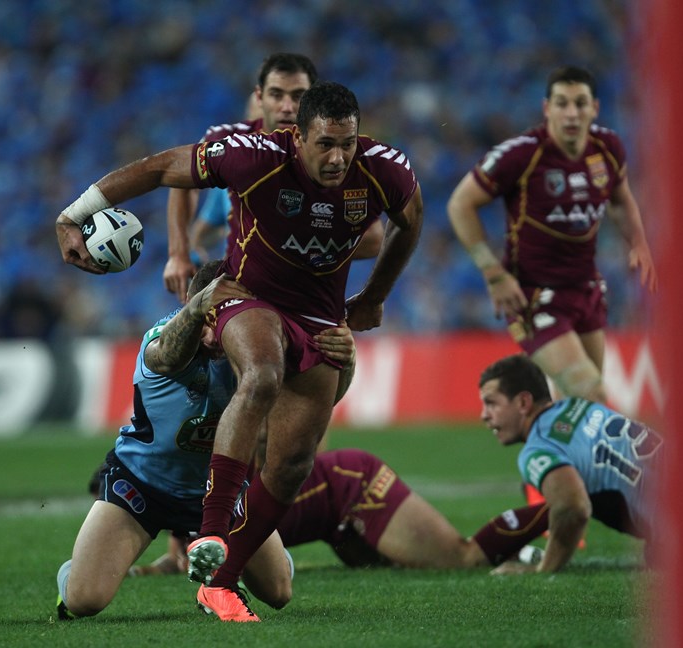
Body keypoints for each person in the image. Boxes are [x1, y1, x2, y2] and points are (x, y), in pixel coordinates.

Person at [56, 80, 424, 621]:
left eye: (347, 143)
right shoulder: (253, 160)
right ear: (297, 136)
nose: (338, 157)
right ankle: (208, 537)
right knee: (263, 373)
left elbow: (410, 220)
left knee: (292, 481)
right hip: (247, 306)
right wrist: (73, 214)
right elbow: (161, 170)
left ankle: (219, 578)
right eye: (325, 144)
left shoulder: (383, 169)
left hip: (317, 317)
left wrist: (372, 300)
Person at [55, 260, 357, 621]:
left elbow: (310, 404)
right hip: (142, 485)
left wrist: (345, 362)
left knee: (279, 591)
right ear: (194, 305)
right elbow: (165, 357)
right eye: (212, 317)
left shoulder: (258, 353)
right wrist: (199, 305)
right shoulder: (162, 337)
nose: (217, 334)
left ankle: (223, 574)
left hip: (222, 493)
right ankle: (79, 571)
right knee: (85, 600)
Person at [447, 65, 657, 405]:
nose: (571, 113)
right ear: (547, 109)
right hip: (533, 296)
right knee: (591, 392)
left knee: (577, 407)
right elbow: (460, 204)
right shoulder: (523, 154)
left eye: (579, 103)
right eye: (562, 103)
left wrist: (638, 242)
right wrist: (492, 272)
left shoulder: (608, 148)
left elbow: (620, 199)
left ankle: (554, 457)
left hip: (586, 287)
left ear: (595, 108)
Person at [115, 447, 549, 577]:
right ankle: (521, 553)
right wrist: (151, 569)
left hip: (351, 487)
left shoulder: (224, 460)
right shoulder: (188, 494)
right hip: (333, 529)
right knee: (402, 567)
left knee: (461, 558)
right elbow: (189, 553)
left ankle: (559, 508)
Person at [163, 53, 383, 303]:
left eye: (298, 96)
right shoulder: (231, 147)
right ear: (260, 97)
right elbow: (184, 184)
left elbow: (374, 238)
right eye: (277, 95)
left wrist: (303, 252)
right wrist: (180, 253)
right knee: (157, 341)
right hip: (240, 294)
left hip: (305, 300)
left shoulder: (336, 156)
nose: (287, 107)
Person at [478, 353, 661, 574]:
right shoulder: (579, 405)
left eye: (491, 404)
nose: (484, 415)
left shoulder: (539, 448)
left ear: (523, 402)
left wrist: (544, 569)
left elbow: (571, 507)